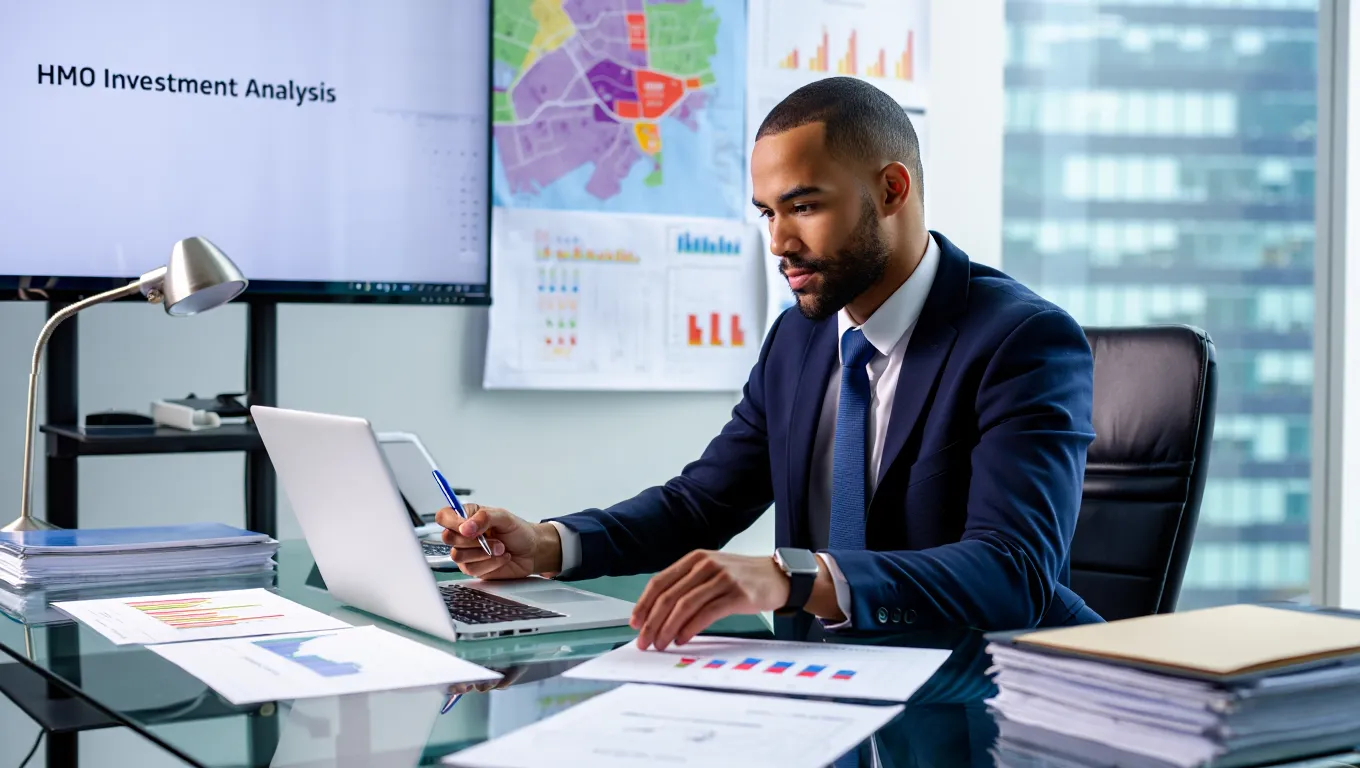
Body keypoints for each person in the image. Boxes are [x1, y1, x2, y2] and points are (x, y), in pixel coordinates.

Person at [439, 76, 1103, 652]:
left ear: (892, 190)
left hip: (970, 697)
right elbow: (699, 505)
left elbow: (1012, 573)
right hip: (818, 685)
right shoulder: (800, 338)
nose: (780, 243)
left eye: (805, 206)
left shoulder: (1023, 341)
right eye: (767, 213)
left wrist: (795, 577)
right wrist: (550, 543)